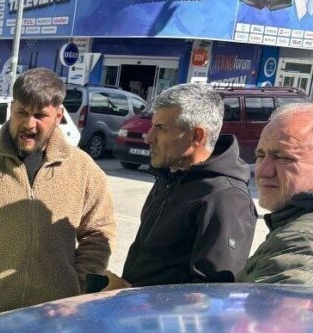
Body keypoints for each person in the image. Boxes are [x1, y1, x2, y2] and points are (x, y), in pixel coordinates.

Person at [0, 67, 116, 317]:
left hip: (53, 315)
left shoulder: (83, 170)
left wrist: (79, 285)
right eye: (21, 113)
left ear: (59, 115)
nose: (29, 124)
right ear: (11, 110)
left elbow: (99, 232)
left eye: (40, 115)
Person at [105, 84, 256, 288]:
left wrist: (133, 296)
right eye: (152, 126)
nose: (148, 138)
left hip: (156, 317)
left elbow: (211, 295)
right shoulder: (170, 175)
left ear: (196, 136)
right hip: (134, 312)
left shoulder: (225, 198)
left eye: (161, 128)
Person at [237, 102, 313, 284]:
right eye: (260, 155)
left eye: (282, 157)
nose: (263, 171)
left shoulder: (299, 243)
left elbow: (270, 311)